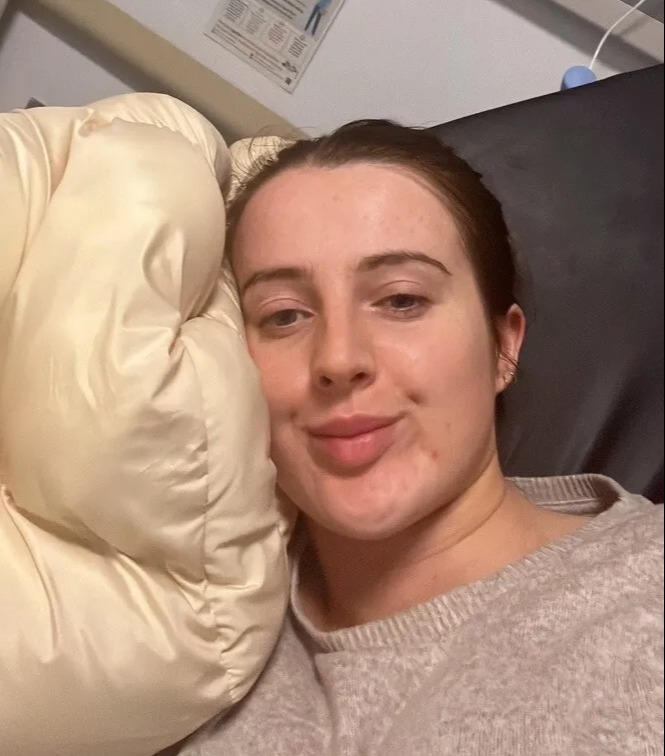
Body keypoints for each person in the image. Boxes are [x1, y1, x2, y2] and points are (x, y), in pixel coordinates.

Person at [178, 121, 664, 755]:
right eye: (285, 315)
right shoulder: (185, 625)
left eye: (402, 299)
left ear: (503, 347)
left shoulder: (641, 602)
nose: (339, 357)